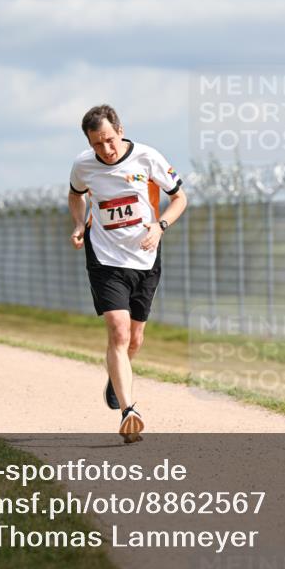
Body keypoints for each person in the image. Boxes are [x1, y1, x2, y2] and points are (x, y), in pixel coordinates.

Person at [69, 105, 188, 443]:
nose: (105, 150)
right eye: (97, 145)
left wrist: (161, 225)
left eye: (109, 140)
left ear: (120, 130)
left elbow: (180, 197)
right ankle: (128, 411)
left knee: (135, 340)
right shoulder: (83, 165)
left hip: (145, 255)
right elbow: (75, 195)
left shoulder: (147, 157)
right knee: (118, 333)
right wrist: (79, 224)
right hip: (105, 257)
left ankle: (115, 376)